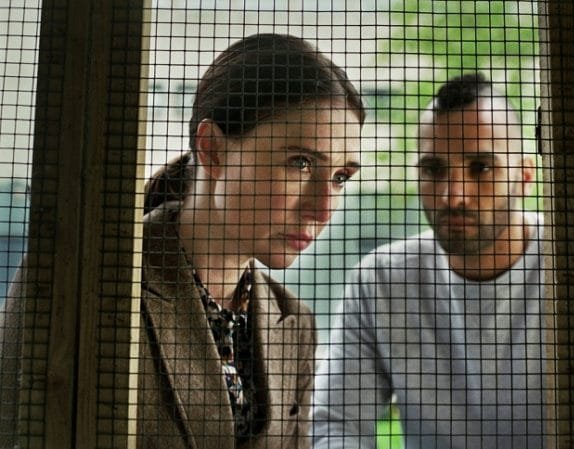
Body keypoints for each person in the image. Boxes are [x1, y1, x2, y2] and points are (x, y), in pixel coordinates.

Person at [0, 33, 365, 449]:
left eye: (340, 177)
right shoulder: (87, 278)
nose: (323, 208)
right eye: (300, 162)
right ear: (213, 149)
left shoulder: (294, 323)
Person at [311, 73, 574, 449]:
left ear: (525, 177)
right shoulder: (381, 281)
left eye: (481, 168)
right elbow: (336, 425)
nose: (454, 196)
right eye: (434, 169)